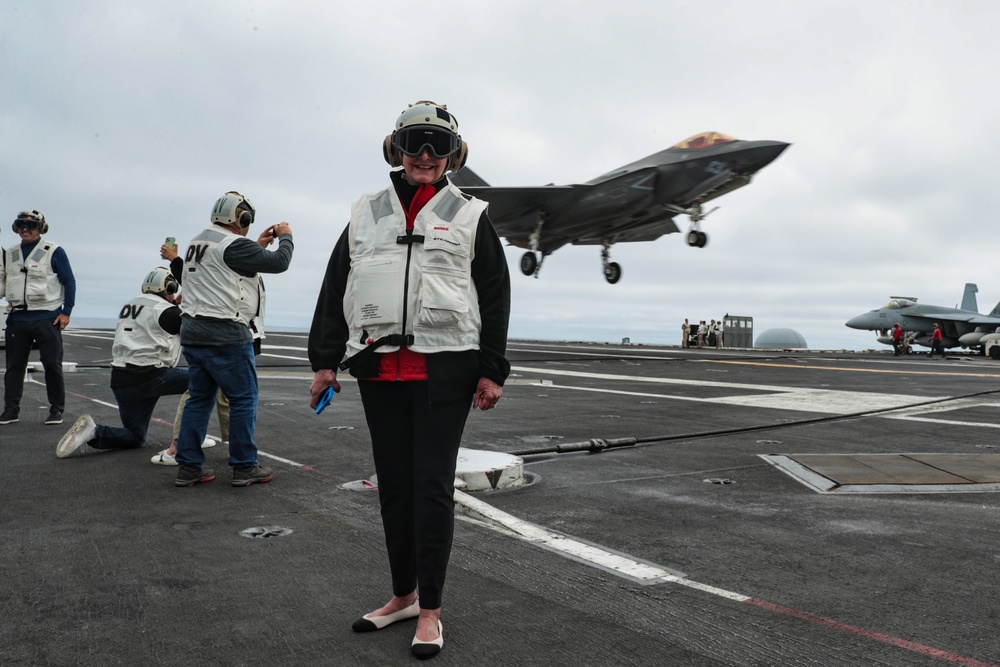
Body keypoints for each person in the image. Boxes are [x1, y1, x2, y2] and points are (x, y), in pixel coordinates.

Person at [307, 100, 511, 660]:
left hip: (444, 372)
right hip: (379, 370)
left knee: (429, 489)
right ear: (395, 148)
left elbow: (494, 295)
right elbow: (335, 287)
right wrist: (325, 361)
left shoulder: (470, 215)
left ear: (453, 155)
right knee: (393, 487)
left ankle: (431, 611)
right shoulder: (366, 213)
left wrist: (492, 369)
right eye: (416, 142)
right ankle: (401, 595)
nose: (425, 154)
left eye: (437, 145)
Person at [173, 191, 293, 488]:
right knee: (243, 399)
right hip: (226, 334)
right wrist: (287, 236)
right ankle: (244, 466)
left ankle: (189, 467)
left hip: (193, 333)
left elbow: (224, 268)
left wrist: (256, 246)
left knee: (199, 399)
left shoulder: (198, 242)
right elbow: (280, 262)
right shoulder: (234, 245)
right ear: (242, 218)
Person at [55, 268, 195, 457]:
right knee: (206, 378)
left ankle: (94, 431)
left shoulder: (130, 304)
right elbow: (195, 328)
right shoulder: (168, 312)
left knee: (135, 436)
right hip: (152, 376)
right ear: (169, 288)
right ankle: (191, 438)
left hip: (122, 380)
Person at [150, 240, 230, 466]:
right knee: (228, 396)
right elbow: (202, 284)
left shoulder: (153, 308)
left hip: (203, 340)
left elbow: (199, 284)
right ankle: (235, 452)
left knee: (198, 393)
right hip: (224, 337)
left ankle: (181, 447)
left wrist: (175, 261)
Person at [0, 210, 76, 426]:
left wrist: (66, 312)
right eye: (21, 225)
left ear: (41, 228)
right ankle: (11, 410)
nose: (25, 229)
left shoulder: (53, 251)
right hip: (18, 318)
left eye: (30, 225)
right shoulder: (10, 253)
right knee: (14, 366)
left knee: (52, 364)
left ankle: (56, 409)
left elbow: (68, 281)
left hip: (47, 317)